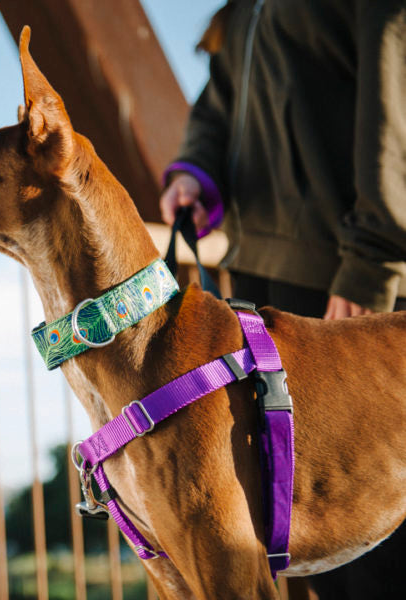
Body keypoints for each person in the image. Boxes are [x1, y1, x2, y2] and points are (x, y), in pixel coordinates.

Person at [160, 1, 406, 597]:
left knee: (373, 539)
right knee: (306, 523)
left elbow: (392, 118)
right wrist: (194, 168)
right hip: (262, 283)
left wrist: (372, 264)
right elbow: (219, 106)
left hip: (345, 286)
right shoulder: (242, 8)